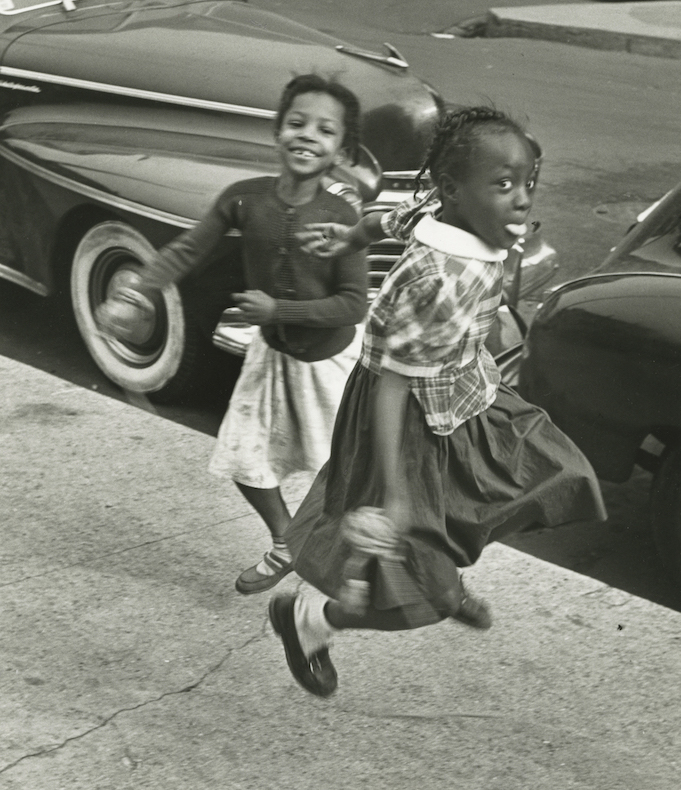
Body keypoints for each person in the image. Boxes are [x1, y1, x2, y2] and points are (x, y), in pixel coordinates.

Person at [267, 105, 607, 698]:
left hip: (459, 390)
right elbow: (395, 387)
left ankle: (439, 563)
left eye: (527, 184)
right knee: (414, 594)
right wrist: (396, 498)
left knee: (553, 471)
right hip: (404, 421)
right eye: (502, 186)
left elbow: (385, 220)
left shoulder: (442, 213)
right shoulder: (442, 279)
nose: (523, 200)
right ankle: (310, 621)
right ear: (454, 190)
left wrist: (349, 235)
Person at [97, 74, 368, 594]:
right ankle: (288, 542)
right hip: (273, 359)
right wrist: (137, 292)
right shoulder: (244, 199)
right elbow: (186, 250)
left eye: (325, 131)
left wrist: (277, 308)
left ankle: (344, 555)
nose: (308, 136)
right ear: (276, 132)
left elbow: (352, 306)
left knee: (346, 471)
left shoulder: (340, 217)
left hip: (330, 365)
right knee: (245, 457)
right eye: (296, 123)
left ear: (340, 149)